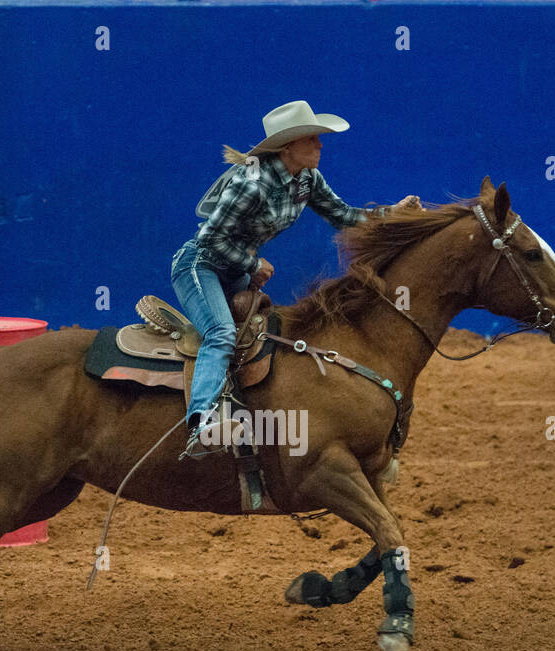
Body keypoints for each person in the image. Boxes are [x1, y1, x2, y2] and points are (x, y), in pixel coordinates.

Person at [172, 100, 420, 458]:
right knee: (221, 333)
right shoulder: (251, 183)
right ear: (288, 147)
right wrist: (251, 263)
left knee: (260, 338)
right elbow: (211, 239)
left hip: (238, 271)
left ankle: (245, 423)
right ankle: (202, 425)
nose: (320, 145)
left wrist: (390, 214)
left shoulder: (307, 180)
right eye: (312, 139)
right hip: (201, 266)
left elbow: (344, 215)